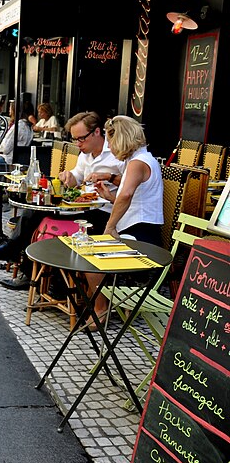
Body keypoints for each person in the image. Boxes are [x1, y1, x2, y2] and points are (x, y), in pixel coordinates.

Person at [0, 111, 124, 289]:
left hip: (103, 214)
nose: (78, 144)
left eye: (81, 139)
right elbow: (77, 177)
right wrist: (68, 177)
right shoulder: (85, 154)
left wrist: (109, 178)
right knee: (36, 209)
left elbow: (127, 189)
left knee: (39, 216)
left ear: (96, 132)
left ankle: (17, 257)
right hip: (82, 208)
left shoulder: (117, 154)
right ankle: (19, 258)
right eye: (75, 140)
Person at [85, 115, 163, 327]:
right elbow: (136, 198)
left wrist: (110, 227)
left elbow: (127, 195)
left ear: (120, 139)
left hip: (142, 238)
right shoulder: (140, 160)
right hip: (141, 230)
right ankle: (102, 304)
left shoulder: (138, 163)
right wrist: (111, 197)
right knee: (88, 247)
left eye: (111, 142)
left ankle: (101, 309)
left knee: (89, 256)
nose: (109, 147)